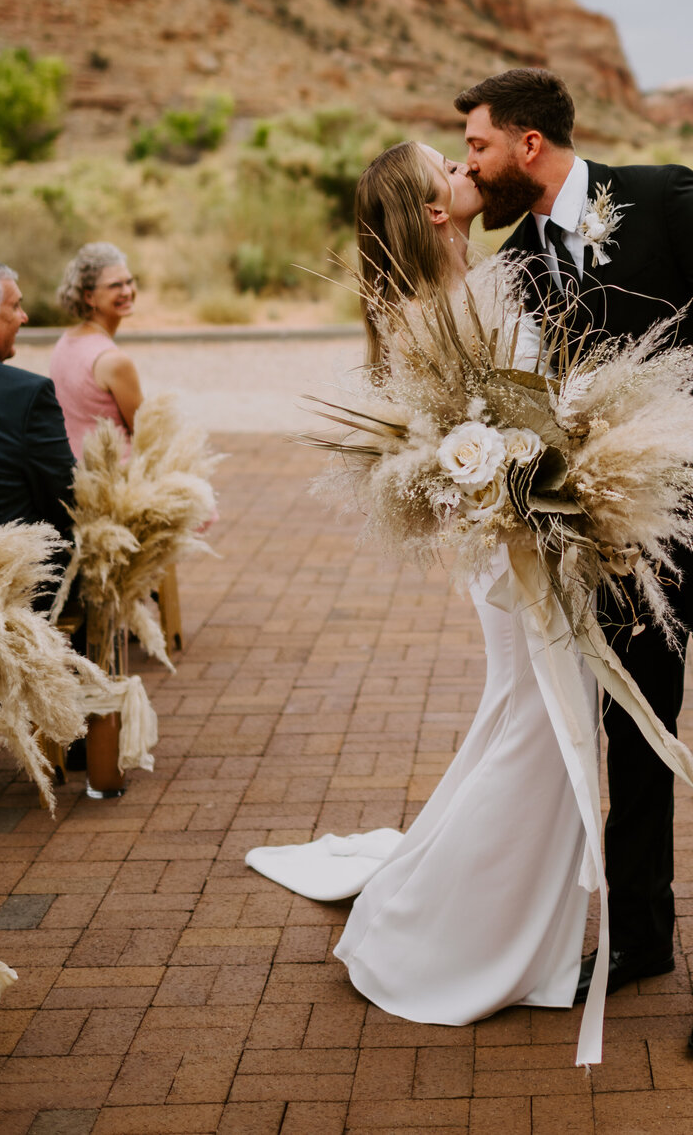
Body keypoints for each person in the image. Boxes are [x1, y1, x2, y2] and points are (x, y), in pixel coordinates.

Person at [458, 66, 693, 1061]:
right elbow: (517, 387)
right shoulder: (522, 253)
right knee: (638, 733)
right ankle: (644, 941)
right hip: (618, 534)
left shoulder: (664, 195)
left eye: (477, 148)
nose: (468, 166)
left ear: (529, 144)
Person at [246, 142, 604, 1053]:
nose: (467, 172)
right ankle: (449, 935)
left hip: (521, 540)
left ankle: (466, 916)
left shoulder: (462, 291)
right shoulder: (440, 312)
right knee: (544, 726)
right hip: (516, 545)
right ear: (435, 210)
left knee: (529, 716)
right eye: (451, 165)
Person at [0, 256, 76, 545]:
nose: (24, 317)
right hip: (5, 579)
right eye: (16, 306)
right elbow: (68, 501)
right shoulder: (27, 394)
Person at [49, 244, 142, 458]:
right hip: (116, 479)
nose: (127, 291)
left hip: (78, 472)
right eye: (115, 286)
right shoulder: (114, 361)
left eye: (129, 281)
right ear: (89, 297)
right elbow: (145, 436)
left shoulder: (65, 340)